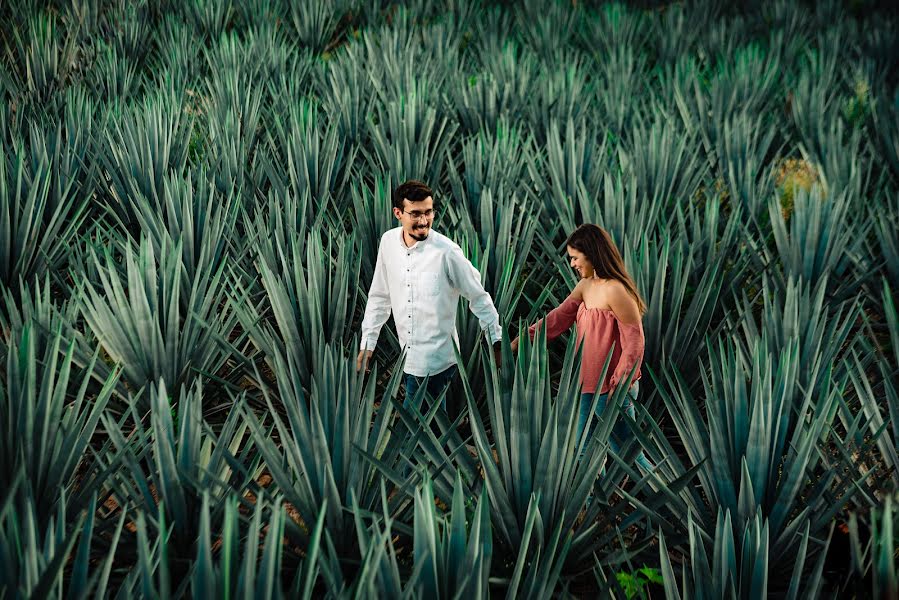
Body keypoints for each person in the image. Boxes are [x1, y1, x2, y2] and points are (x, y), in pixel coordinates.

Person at [511, 224, 652, 472]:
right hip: (586, 385)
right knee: (584, 451)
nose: (573, 264)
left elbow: (635, 342)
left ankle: (666, 498)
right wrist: (519, 342)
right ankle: (591, 507)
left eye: (576, 258)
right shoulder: (586, 286)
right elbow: (558, 318)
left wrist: (618, 384)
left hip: (611, 389)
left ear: (592, 253)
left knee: (628, 454)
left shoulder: (615, 290)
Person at [356, 180, 502, 410]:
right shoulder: (388, 243)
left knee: (414, 428)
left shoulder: (447, 252)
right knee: (429, 432)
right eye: (415, 214)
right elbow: (379, 297)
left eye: (428, 212)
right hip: (407, 358)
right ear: (398, 213)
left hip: (437, 361)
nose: (424, 221)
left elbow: (478, 296)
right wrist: (368, 344)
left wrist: (496, 341)